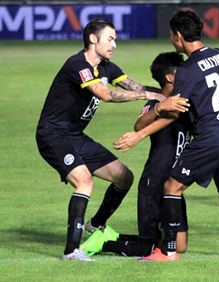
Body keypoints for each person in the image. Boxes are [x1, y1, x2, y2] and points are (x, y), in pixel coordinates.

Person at [113, 10, 219, 262]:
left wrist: (140, 135)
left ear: (179, 36)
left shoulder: (187, 70)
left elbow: (174, 111)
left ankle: (168, 252)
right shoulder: (218, 54)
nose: (172, 40)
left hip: (210, 138)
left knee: (171, 187)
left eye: (172, 36)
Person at [35, 18, 188, 260]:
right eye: (110, 38)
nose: (114, 44)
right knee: (84, 181)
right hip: (53, 135)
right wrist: (150, 96)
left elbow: (133, 85)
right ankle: (72, 251)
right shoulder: (78, 65)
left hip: (75, 136)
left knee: (123, 177)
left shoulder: (107, 66)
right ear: (93, 39)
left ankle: (95, 226)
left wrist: (174, 93)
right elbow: (105, 94)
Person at [80, 52, 191, 257]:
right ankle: (103, 244)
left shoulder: (186, 99)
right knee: (155, 247)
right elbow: (139, 125)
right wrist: (159, 108)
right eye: (182, 69)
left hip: (175, 183)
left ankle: (109, 236)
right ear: (170, 77)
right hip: (155, 183)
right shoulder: (156, 103)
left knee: (180, 246)